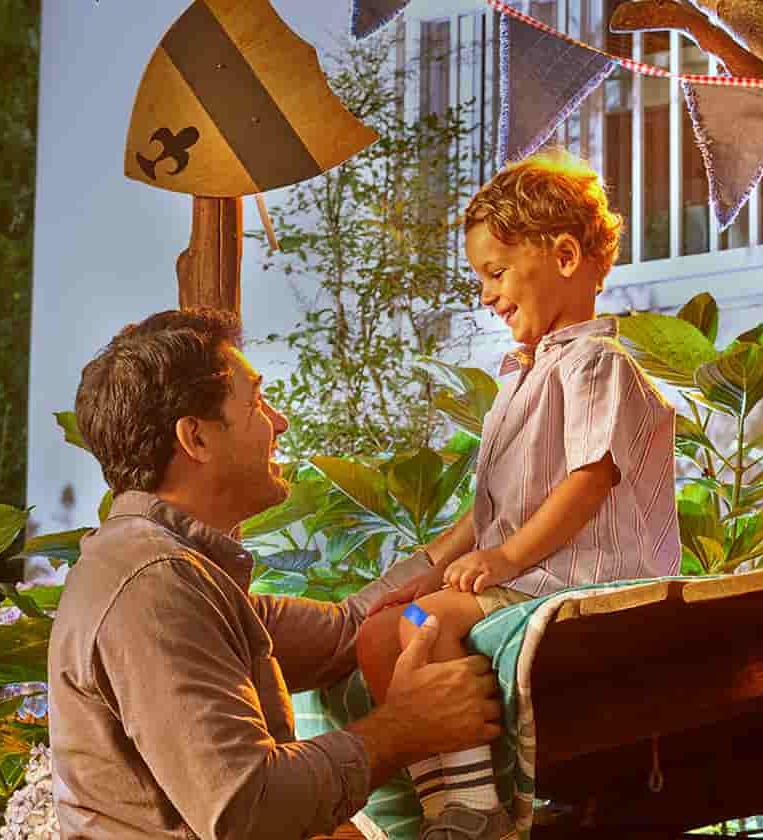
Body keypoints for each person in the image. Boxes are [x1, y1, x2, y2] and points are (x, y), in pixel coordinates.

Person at [49, 307, 504, 840]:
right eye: (257, 403)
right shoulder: (153, 584)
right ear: (195, 438)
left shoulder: (175, 572)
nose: (280, 423)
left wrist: (482, 521)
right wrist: (405, 727)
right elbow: (248, 808)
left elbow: (345, 631)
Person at [353, 149, 680, 840]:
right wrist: (408, 575)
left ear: (564, 255)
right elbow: (483, 520)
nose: (487, 295)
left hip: (579, 574)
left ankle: (472, 809)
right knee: (390, 629)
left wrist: (504, 562)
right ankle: (454, 805)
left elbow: (589, 481)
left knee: (418, 628)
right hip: (529, 570)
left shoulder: (596, 362)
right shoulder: (525, 379)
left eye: (495, 273)